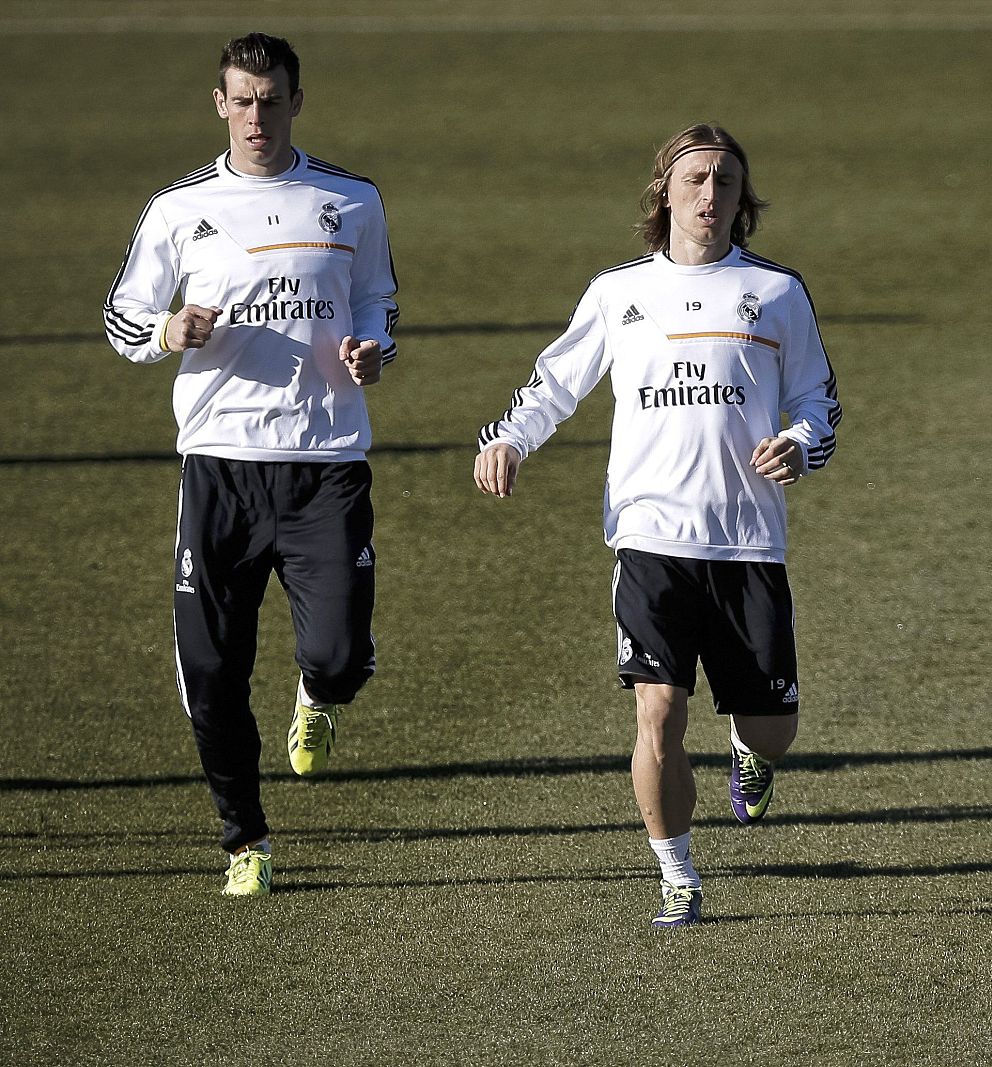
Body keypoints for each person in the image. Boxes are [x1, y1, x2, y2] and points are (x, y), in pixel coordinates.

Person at [475, 123, 841, 928]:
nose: (711, 195)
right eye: (697, 178)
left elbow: (820, 400)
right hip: (650, 540)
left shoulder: (778, 292)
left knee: (774, 728)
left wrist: (802, 442)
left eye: (727, 182)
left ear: (744, 200)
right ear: (665, 191)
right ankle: (677, 871)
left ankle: (752, 757)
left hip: (748, 542)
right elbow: (556, 382)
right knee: (659, 711)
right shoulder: (618, 292)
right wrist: (506, 438)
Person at [104, 32, 399, 897]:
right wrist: (169, 331)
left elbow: (380, 296)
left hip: (325, 465)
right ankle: (246, 840)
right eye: (242, 100)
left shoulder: (350, 200)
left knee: (341, 655)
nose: (257, 115)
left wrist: (374, 346)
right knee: (213, 673)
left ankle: (318, 693)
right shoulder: (177, 209)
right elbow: (123, 317)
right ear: (220, 105)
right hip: (221, 471)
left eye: (272, 100)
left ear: (296, 101)